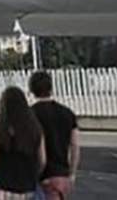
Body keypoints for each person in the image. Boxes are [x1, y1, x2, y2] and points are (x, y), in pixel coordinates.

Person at [0, 85, 47, 199]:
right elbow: (42, 160)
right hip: (29, 187)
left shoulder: (0, 127)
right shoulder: (35, 126)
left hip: (6, 187)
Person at [29, 71, 80, 199]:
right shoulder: (68, 113)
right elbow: (75, 145)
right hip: (60, 175)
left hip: (36, 175)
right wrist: (72, 173)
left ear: (32, 89)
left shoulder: (29, 115)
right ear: (51, 88)